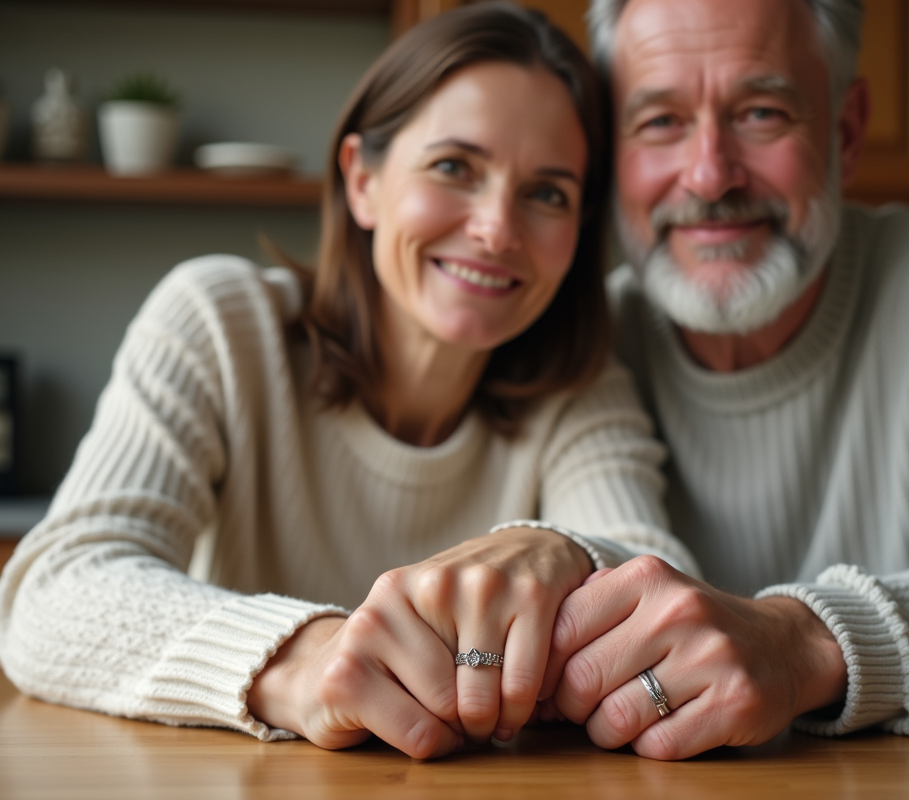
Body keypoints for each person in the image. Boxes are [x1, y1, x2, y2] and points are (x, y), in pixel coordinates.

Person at [0, 4, 699, 760]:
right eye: (454, 167)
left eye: (548, 192)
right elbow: (55, 594)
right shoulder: (220, 324)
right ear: (363, 179)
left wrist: (560, 547)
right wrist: (307, 658)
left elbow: (660, 594)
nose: (498, 228)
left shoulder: (580, 385)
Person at [535, 0, 909, 760]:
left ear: (846, 130)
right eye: (660, 121)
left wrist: (801, 642)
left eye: (761, 113)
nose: (708, 175)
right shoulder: (578, 341)